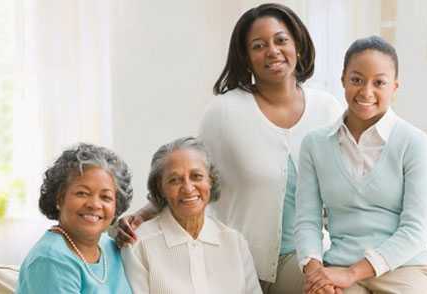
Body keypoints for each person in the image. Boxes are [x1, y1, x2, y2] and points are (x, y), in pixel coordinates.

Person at [116, 3, 342, 293]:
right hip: (242, 259)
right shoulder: (225, 112)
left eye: (281, 40)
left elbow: (347, 184)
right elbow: (194, 173)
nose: (272, 51)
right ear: (246, 58)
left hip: (310, 255)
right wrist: (145, 213)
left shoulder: (328, 109)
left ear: (298, 44)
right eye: (258, 46)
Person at [295, 36, 427, 294]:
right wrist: (316, 275)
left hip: (405, 269)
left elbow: (416, 231)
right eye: (357, 80)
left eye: (379, 82)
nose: (366, 92)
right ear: (343, 80)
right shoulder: (314, 145)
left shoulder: (415, 143)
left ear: (394, 87)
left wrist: (353, 273)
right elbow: (307, 220)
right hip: (339, 266)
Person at [120, 137, 262, 293]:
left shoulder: (235, 242)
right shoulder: (138, 244)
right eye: (175, 180)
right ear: (160, 188)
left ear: (211, 181)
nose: (188, 188)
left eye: (196, 176)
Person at [16, 143, 133, 294]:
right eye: (82, 193)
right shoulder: (51, 260)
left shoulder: (109, 246)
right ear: (59, 198)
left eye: (105, 197)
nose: (94, 204)